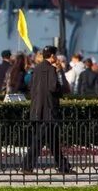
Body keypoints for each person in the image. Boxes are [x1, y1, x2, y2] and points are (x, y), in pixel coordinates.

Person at [22, 45, 71, 175]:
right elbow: (54, 88)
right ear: (53, 56)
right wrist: (60, 78)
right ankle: (27, 166)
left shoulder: (36, 69)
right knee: (39, 140)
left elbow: (30, 87)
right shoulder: (51, 69)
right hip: (49, 111)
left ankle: (63, 166)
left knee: (53, 141)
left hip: (37, 109)